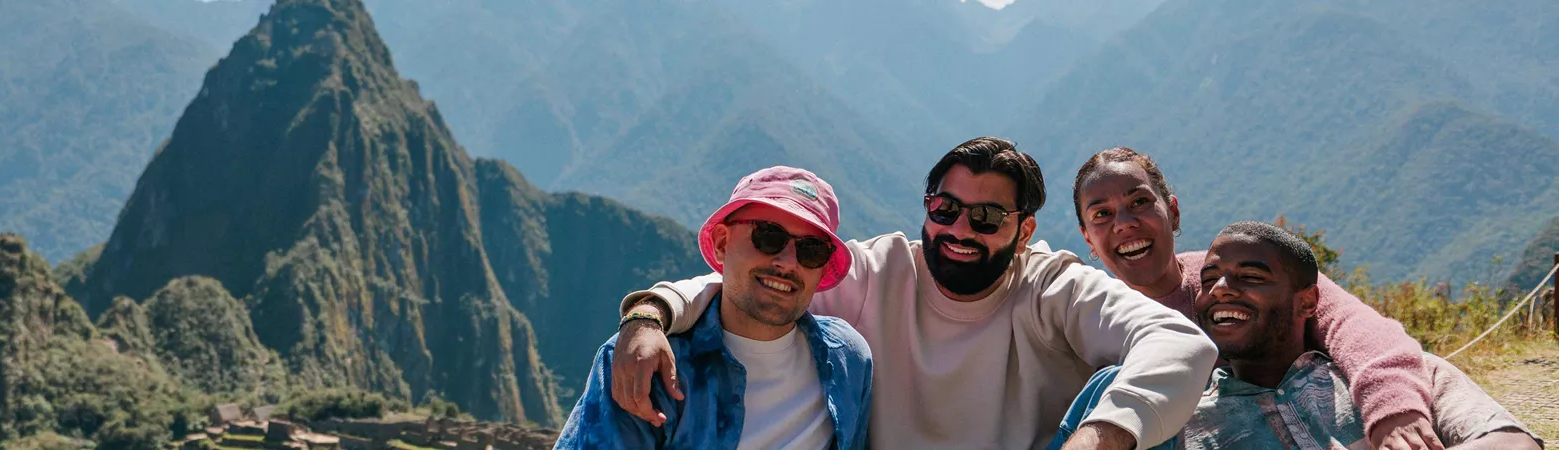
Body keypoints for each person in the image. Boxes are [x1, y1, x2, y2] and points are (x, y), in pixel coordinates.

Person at [609, 137, 1217, 449]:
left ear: (1023, 230)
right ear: (925, 207)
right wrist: (649, 312)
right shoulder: (881, 271)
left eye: (985, 219)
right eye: (945, 209)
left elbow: (1178, 343)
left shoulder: (1050, 285)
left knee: (1120, 391)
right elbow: (752, 283)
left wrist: (1103, 436)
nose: (958, 231)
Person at [1069, 147, 1444, 448]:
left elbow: (1354, 325)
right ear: (1087, 237)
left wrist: (1393, 410)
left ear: (1173, 211)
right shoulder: (1087, 321)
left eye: (1139, 202)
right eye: (1102, 214)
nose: (1124, 223)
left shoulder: (1240, 272)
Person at [555, 166, 873, 449]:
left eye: (811, 250)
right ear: (722, 243)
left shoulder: (847, 361)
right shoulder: (646, 364)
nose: (787, 262)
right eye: (768, 237)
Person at [1178, 221, 1542, 449]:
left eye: (1251, 277)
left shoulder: (1405, 380)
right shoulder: (1188, 424)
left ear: (1308, 302)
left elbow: (1513, 442)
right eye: (1209, 280)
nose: (1220, 290)